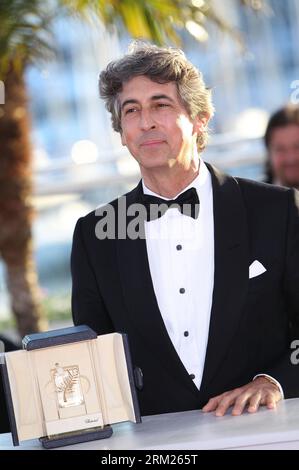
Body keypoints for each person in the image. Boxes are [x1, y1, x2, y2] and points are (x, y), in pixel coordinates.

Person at [71, 43, 299, 418]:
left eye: (161, 105)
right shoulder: (96, 234)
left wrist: (272, 381)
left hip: (265, 433)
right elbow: (91, 356)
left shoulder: (276, 210)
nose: (146, 122)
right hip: (155, 446)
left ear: (200, 119)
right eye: (132, 111)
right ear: (122, 132)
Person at [264, 104, 299, 190]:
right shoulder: (252, 200)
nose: (290, 158)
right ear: (269, 153)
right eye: (280, 149)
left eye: (297, 146)